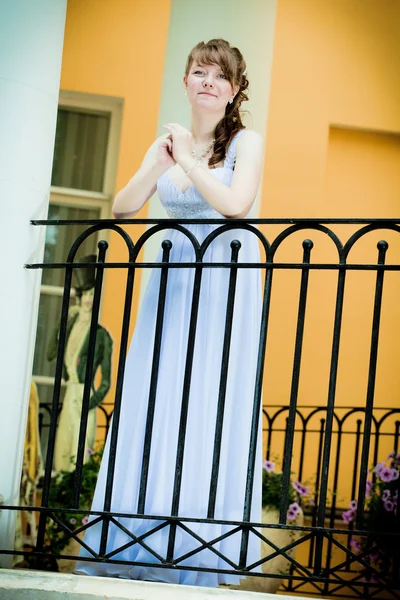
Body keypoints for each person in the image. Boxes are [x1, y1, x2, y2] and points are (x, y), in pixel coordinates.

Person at [75, 38, 264, 587]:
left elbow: (236, 205)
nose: (208, 81)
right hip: (171, 285)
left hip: (222, 286)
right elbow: (122, 206)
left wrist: (186, 162)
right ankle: (140, 536)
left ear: (232, 92)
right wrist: (162, 159)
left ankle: (198, 544)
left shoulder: (246, 142)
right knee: (156, 397)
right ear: (185, 82)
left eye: (219, 75)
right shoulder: (168, 141)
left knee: (206, 396)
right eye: (199, 71)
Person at [47, 255, 113, 472]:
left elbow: (106, 381)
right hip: (69, 392)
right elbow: (50, 354)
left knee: (81, 451)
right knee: (63, 449)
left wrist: (91, 402)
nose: (89, 299)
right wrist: (61, 323)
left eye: (93, 295)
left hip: (86, 393)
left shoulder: (102, 336)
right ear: (80, 296)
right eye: (86, 294)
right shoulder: (71, 325)